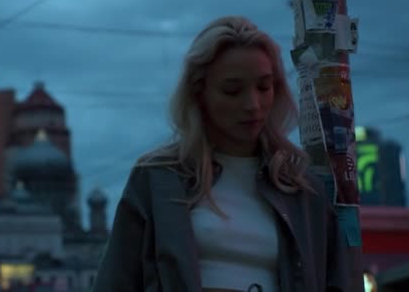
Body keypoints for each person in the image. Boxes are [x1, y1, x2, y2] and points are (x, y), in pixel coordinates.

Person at [91, 16, 363, 292]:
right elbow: (115, 282)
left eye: (263, 87)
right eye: (232, 90)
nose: (252, 105)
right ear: (199, 93)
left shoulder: (304, 192)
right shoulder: (157, 179)